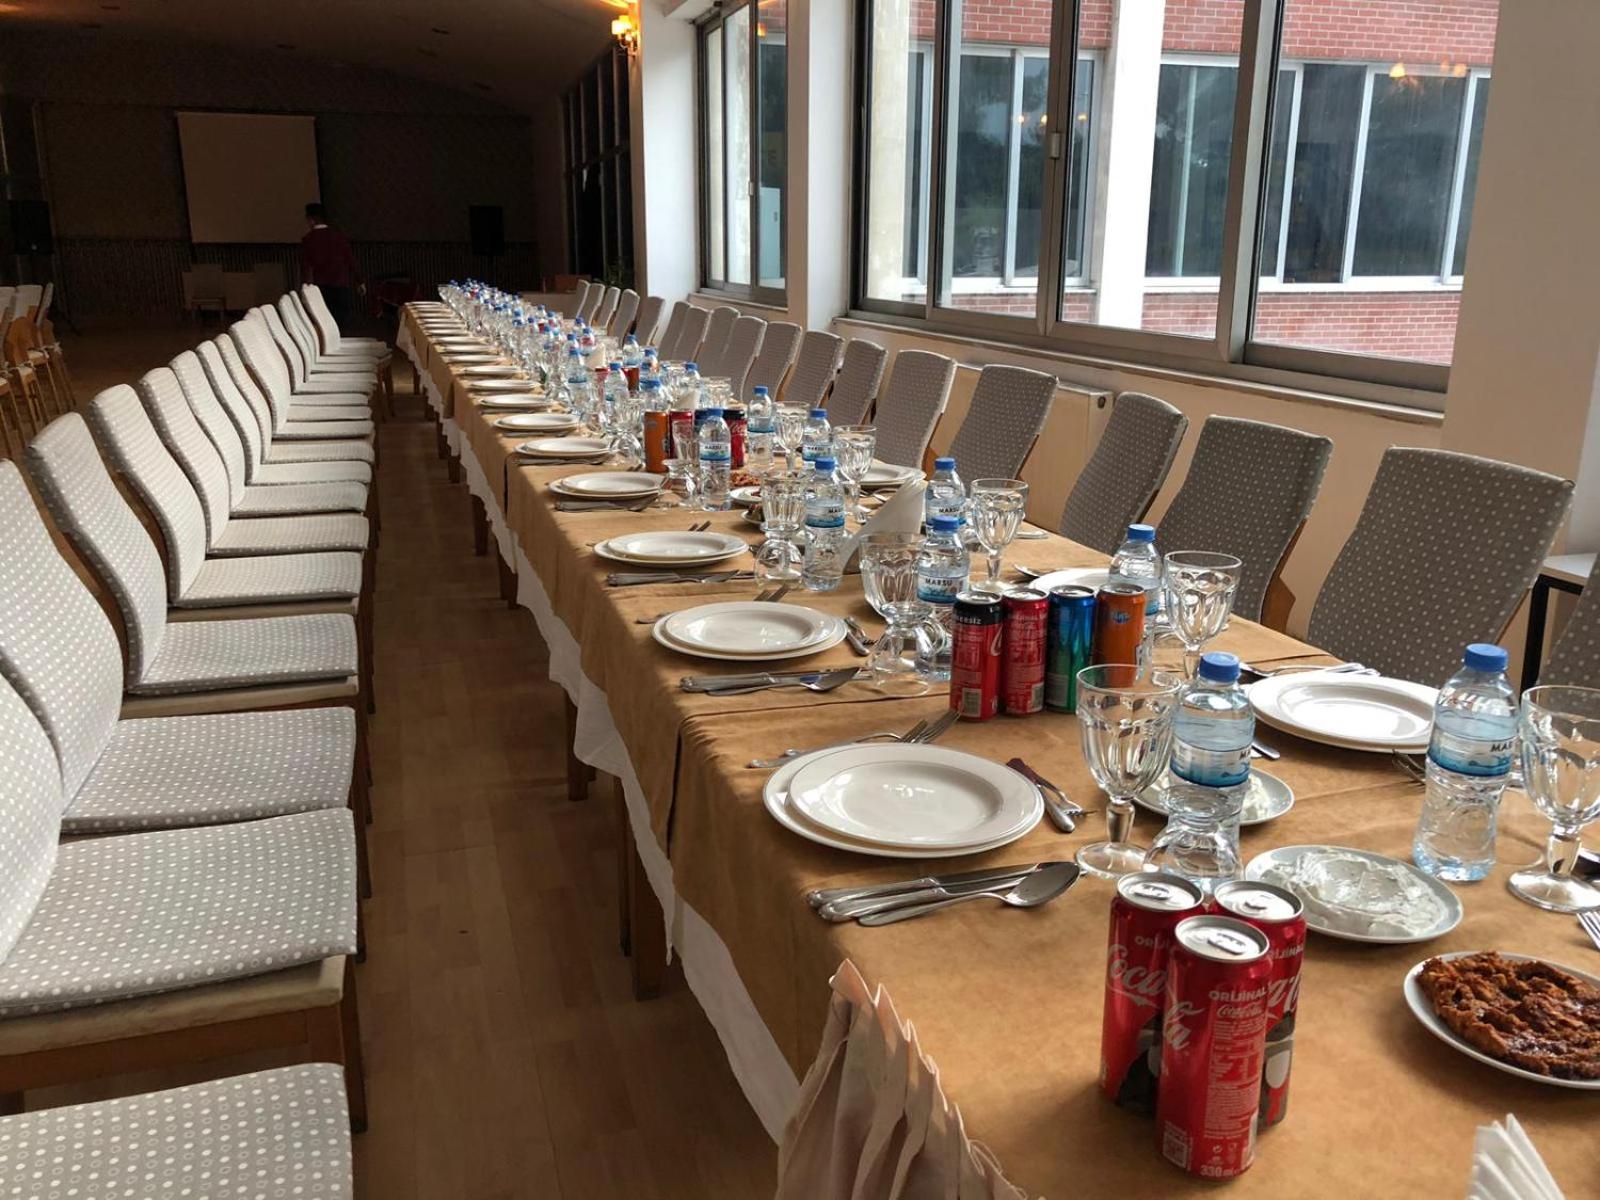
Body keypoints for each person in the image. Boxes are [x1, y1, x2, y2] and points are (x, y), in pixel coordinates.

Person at [299, 202, 365, 327]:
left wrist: (305, 286)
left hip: (321, 287)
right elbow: (350, 259)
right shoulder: (339, 236)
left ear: (311, 220)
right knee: (341, 321)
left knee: (324, 322)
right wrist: (359, 280)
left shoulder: (308, 239)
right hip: (341, 285)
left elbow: (305, 267)